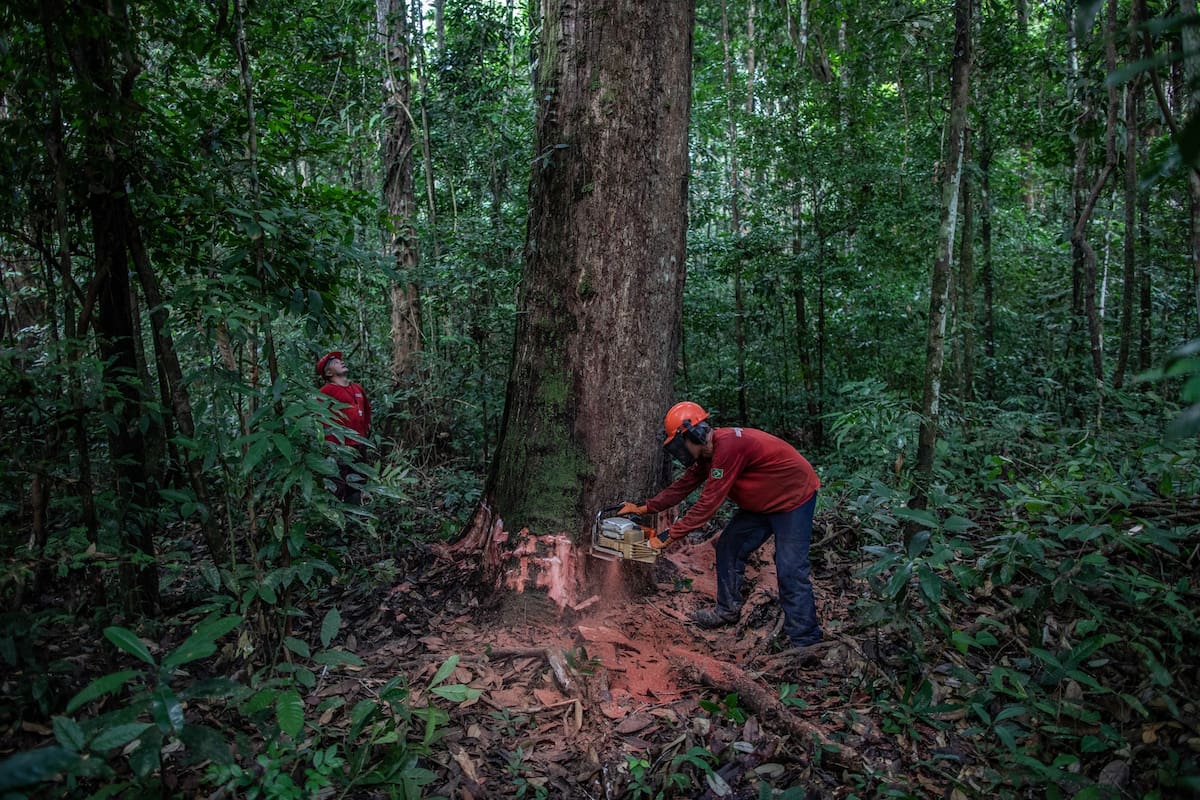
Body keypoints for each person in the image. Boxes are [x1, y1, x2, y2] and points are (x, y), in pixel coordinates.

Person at [620, 401, 823, 648]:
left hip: (793, 500)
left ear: (693, 433)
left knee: (790, 569)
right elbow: (684, 485)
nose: (680, 450)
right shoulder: (708, 456)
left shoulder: (728, 448)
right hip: (760, 505)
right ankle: (727, 610)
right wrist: (646, 507)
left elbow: (707, 504)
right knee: (729, 546)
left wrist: (668, 536)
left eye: (679, 444)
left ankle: (806, 640)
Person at [316, 351, 372, 504]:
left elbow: (366, 411)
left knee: (357, 483)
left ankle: (354, 519)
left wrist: (363, 433)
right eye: (335, 363)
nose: (341, 362)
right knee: (338, 484)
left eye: (340, 360)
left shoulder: (357, 388)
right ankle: (336, 518)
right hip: (339, 448)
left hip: (359, 444)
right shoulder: (326, 391)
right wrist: (330, 443)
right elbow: (319, 418)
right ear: (328, 372)